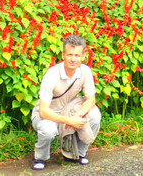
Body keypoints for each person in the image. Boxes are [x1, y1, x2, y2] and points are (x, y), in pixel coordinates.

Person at [31, 34, 101, 170]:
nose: (73, 59)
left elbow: (91, 100)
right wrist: (68, 121)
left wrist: (78, 115)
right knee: (48, 130)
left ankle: (77, 154)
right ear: (63, 55)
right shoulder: (52, 75)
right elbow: (43, 111)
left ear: (83, 57)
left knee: (94, 115)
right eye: (69, 55)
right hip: (47, 114)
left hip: (69, 110)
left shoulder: (85, 71)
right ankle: (40, 157)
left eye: (76, 55)